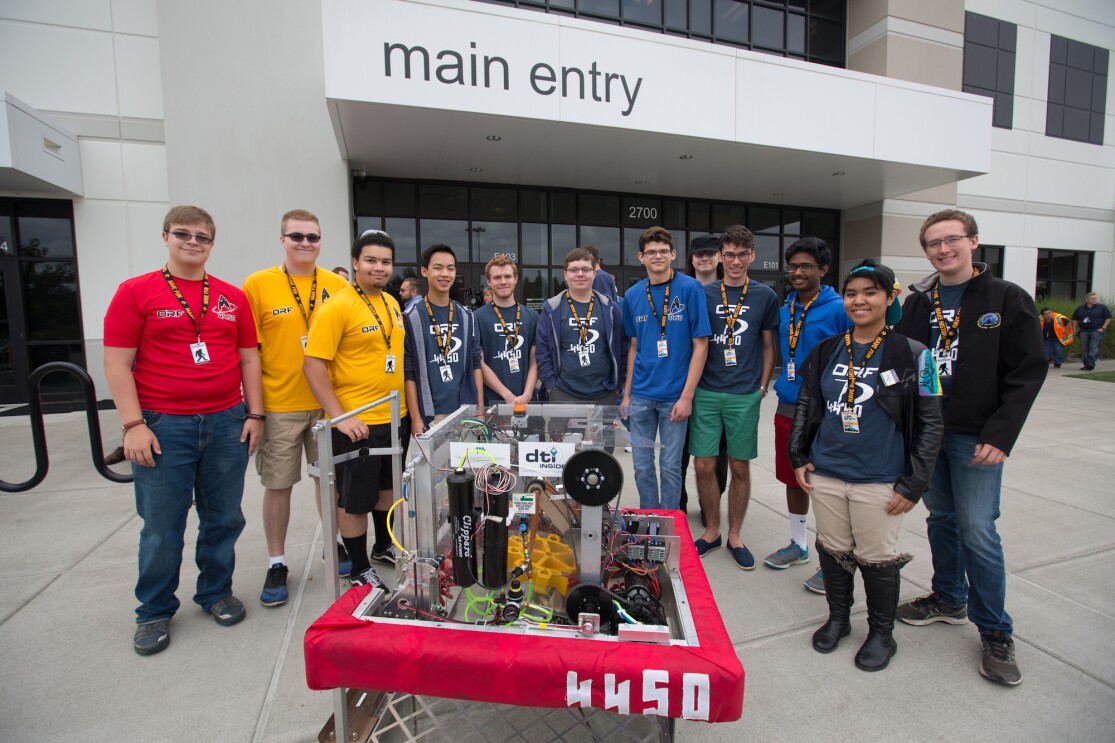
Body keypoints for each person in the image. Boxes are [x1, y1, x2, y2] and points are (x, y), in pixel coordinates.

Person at [895, 209, 1046, 686]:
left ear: (973, 242)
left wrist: (1000, 434)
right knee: (940, 518)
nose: (943, 249)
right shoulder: (919, 303)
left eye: (951, 239)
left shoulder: (1006, 298)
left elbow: (1027, 371)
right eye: (933, 243)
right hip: (929, 432)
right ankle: (948, 597)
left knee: (978, 529)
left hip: (976, 437)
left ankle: (996, 630)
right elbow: (903, 365)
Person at [104, 205, 264, 656]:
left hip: (226, 421)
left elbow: (249, 358)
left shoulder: (232, 297)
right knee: (162, 524)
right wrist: (133, 425)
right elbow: (116, 363)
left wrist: (255, 415)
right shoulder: (136, 292)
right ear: (165, 237)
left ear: (212, 243)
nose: (193, 242)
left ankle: (216, 592)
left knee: (224, 517)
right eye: (183, 234)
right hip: (162, 425)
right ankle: (154, 610)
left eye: (202, 237)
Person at [789, 259, 943, 671]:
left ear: (890, 298)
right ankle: (838, 619)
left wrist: (914, 482)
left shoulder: (917, 355)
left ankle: (881, 634)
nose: (859, 301)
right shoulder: (825, 350)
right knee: (833, 550)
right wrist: (799, 455)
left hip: (881, 479)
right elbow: (806, 404)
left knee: (877, 559)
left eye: (870, 293)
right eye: (852, 293)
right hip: (827, 473)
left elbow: (932, 422)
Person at [243, 209, 351, 607]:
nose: (305, 243)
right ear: (282, 240)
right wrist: (255, 412)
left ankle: (333, 542)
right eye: (297, 236)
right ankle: (277, 561)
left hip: (327, 405)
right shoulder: (258, 284)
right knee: (278, 484)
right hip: (280, 406)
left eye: (313, 237)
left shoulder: (337, 285)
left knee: (328, 481)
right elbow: (248, 354)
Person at [303, 229, 410, 587]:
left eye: (386, 262)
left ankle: (382, 546)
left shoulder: (392, 303)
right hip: (355, 423)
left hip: (393, 418)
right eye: (371, 260)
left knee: (387, 491)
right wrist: (341, 417)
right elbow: (313, 365)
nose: (379, 267)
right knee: (354, 500)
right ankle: (360, 567)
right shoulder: (336, 307)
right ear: (355, 263)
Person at [765, 238, 853, 595]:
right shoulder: (785, 308)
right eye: (793, 266)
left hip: (825, 410)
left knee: (827, 487)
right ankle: (798, 544)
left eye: (806, 266)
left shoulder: (838, 308)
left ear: (823, 270)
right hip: (789, 404)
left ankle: (833, 561)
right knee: (793, 478)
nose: (798, 272)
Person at [690, 226, 778, 570]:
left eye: (742, 254)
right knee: (703, 464)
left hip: (744, 393)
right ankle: (712, 530)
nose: (736, 261)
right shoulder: (704, 293)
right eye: (729, 255)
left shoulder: (765, 295)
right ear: (720, 257)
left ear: (752, 255)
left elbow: (768, 345)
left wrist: (761, 388)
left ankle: (735, 535)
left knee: (739, 465)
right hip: (707, 391)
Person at [621, 226, 710, 509]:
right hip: (641, 396)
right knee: (642, 465)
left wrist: (687, 396)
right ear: (641, 257)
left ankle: (669, 522)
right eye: (651, 252)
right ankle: (650, 519)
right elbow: (634, 347)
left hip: (674, 396)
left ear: (673, 254)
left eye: (663, 251)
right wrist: (627, 395)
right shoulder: (633, 295)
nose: (657, 256)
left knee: (670, 466)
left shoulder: (690, 288)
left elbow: (701, 345)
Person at [403, 244, 483, 433]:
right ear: (424, 271)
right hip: (431, 415)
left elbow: (476, 364)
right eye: (438, 268)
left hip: (465, 412)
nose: (445, 274)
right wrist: (416, 418)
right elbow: (409, 372)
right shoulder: (412, 317)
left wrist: (479, 410)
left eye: (450, 268)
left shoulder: (466, 316)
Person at [536, 247, 626, 406]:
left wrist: (617, 386)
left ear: (595, 273)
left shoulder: (611, 309)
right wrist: (551, 385)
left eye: (586, 269)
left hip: (605, 393)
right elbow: (542, 351)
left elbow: (623, 348)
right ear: (565, 274)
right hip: (563, 393)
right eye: (573, 270)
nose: (580, 274)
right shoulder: (552, 308)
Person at [680, 234, 728, 520]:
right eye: (699, 254)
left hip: (719, 383)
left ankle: (711, 506)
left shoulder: (730, 291)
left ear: (719, 257)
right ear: (692, 258)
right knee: (680, 452)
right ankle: (678, 505)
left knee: (716, 454)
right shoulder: (682, 290)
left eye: (711, 253)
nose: (705, 258)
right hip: (684, 382)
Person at [475, 256, 540, 405]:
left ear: (516, 279)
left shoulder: (532, 316)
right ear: (488, 281)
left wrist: (527, 394)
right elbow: (479, 362)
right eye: (497, 277)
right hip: (492, 402)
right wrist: (507, 395)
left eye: (508, 276)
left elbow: (535, 361)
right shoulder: (476, 318)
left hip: (528, 402)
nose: (503, 281)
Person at [1071, 292, 1111, 370]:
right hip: (1083, 331)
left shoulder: (1102, 307)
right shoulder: (1080, 309)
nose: (1094, 300)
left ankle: (1090, 362)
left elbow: (1108, 318)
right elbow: (1075, 319)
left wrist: (1103, 328)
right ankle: (1087, 364)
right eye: (1092, 299)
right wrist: (1074, 329)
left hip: (1096, 330)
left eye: (1095, 298)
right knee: (1084, 348)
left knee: (1094, 347)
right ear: (1087, 300)